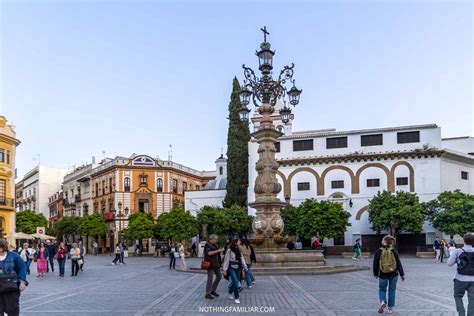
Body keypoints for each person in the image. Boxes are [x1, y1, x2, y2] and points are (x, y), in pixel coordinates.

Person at [373, 235, 405, 314]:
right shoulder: (394, 251)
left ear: (384, 242)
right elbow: (398, 263)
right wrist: (402, 274)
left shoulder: (379, 251)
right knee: (392, 290)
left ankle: (383, 302)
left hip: (383, 274)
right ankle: (390, 308)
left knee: (382, 289)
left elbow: (375, 263)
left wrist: (375, 273)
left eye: (383, 239)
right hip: (394, 274)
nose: (382, 240)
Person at [447, 232, 474, 316]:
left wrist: (457, 260)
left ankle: (461, 313)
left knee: (458, 296)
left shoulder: (458, 251)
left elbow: (449, 263)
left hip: (460, 279)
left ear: (464, 241)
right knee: (472, 299)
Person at [0, 239, 28, 316]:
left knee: (12, 310)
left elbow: (22, 268)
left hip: (11, 288)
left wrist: (22, 281)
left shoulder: (14, 256)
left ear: (3, 247)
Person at [223, 239, 247, 304]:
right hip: (231, 267)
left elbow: (242, 259)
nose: (240, 242)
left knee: (235, 282)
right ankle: (237, 297)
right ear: (235, 242)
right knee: (235, 282)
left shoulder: (239, 250)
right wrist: (224, 269)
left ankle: (230, 292)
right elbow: (226, 260)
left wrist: (245, 267)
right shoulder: (229, 250)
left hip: (238, 267)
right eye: (239, 241)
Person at [204, 234, 224, 299]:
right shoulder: (208, 245)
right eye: (216, 239)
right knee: (210, 279)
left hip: (216, 264)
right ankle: (208, 293)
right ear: (212, 239)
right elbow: (209, 253)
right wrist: (218, 250)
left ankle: (212, 290)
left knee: (219, 276)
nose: (217, 240)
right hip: (210, 264)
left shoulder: (215, 245)